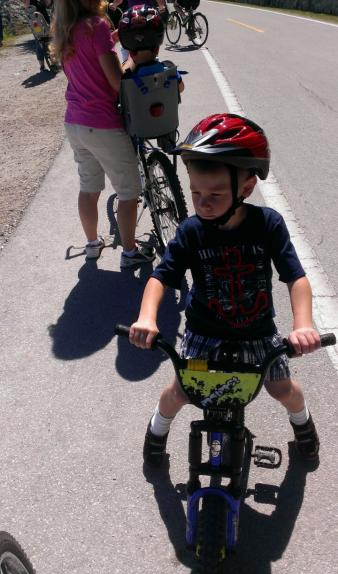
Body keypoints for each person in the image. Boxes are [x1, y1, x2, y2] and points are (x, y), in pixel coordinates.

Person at [128, 113, 321, 466]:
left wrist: (303, 324)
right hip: (204, 333)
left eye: (215, 193)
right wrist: (147, 317)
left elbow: (295, 277)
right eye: (196, 192)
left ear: (246, 188)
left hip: (258, 332)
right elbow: (161, 277)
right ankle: (157, 431)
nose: (203, 202)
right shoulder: (190, 231)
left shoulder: (268, 225)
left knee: (282, 389)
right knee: (181, 391)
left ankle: (303, 425)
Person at [50, 0, 155, 266]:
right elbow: (116, 82)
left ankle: (92, 244)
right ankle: (130, 253)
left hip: (75, 123)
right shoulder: (95, 27)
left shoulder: (66, 29)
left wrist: (108, 40)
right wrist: (132, 60)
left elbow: (87, 65)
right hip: (103, 124)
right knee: (129, 191)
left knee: (88, 187)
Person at [118, 4, 184, 95]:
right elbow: (181, 88)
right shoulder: (170, 70)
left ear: (130, 53)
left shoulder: (125, 79)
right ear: (157, 49)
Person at [23, 0, 53, 70]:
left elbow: (26, 10)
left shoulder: (31, 2)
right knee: (47, 41)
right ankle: (50, 62)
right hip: (41, 22)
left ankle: (42, 65)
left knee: (39, 42)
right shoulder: (36, 2)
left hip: (37, 24)